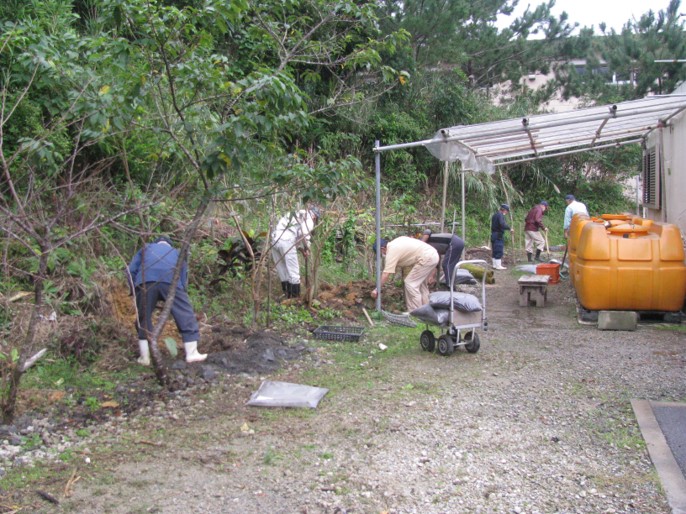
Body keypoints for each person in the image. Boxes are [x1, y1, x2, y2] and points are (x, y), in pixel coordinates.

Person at [128, 236, 206, 366]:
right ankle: (192, 353)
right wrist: (181, 298)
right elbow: (182, 275)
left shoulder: (146, 248)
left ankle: (145, 357)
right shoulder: (175, 252)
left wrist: (134, 291)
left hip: (145, 281)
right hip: (171, 281)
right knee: (185, 315)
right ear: (169, 245)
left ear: (156, 243)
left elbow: (131, 270)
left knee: (144, 318)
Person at [371, 236, 439, 312]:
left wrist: (377, 289)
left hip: (426, 258)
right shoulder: (397, 241)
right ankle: (427, 312)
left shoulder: (391, 251)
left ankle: (416, 312)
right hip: (432, 254)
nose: (383, 254)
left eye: (381, 253)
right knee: (421, 286)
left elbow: (386, 273)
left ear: (382, 248)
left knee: (410, 283)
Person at [271, 206, 321, 298]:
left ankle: (286, 296)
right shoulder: (308, 218)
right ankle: (294, 299)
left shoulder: (293, 214)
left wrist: (302, 250)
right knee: (294, 272)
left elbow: (297, 237)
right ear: (314, 217)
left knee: (282, 270)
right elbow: (304, 235)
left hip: (275, 240)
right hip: (286, 241)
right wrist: (307, 248)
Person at [490, 204, 513, 270]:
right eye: (507, 211)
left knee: (494, 250)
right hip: (498, 235)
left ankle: (494, 265)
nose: (507, 212)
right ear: (504, 210)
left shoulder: (495, 215)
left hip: (493, 234)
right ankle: (498, 266)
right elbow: (502, 224)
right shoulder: (500, 215)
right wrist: (509, 228)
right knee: (498, 250)